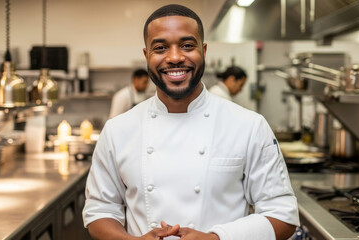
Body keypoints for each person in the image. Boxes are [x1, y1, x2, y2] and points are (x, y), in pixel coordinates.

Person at [83, 4, 299, 240]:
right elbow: (100, 211)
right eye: (160, 48)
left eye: (187, 45)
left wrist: (216, 239)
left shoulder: (249, 126)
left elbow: (283, 216)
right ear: (147, 55)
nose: (175, 57)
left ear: (204, 51)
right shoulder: (117, 131)